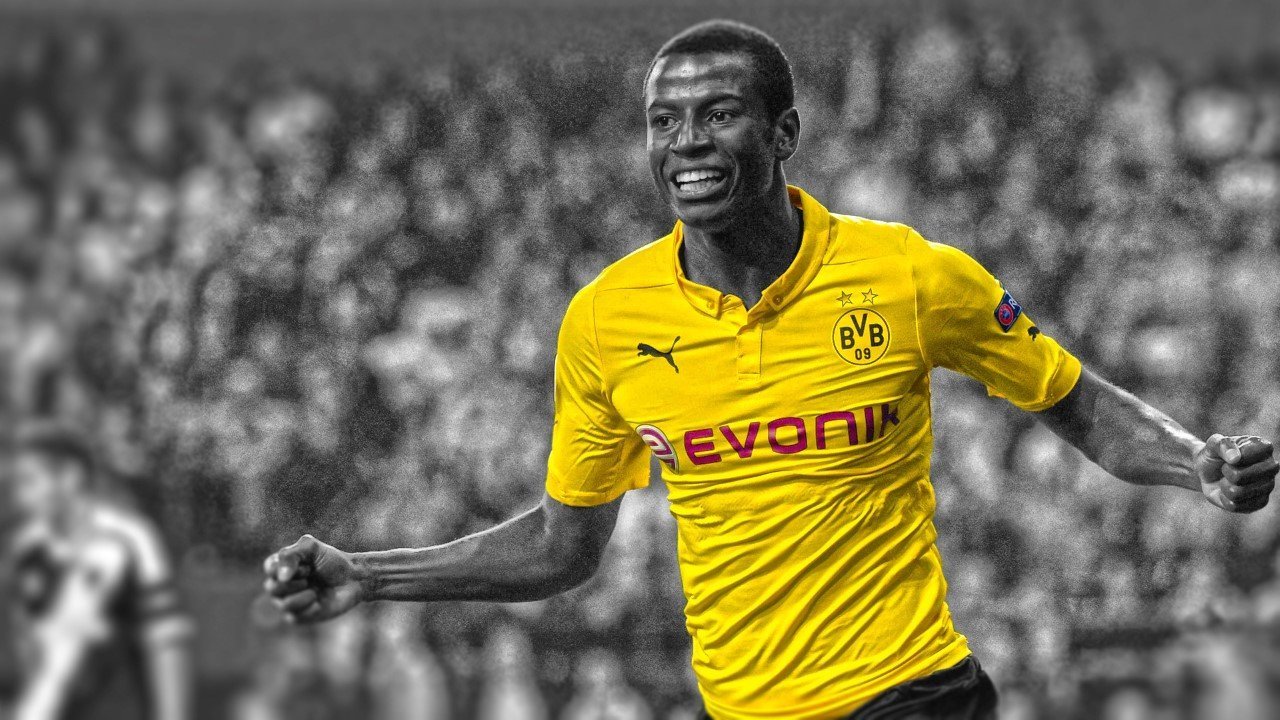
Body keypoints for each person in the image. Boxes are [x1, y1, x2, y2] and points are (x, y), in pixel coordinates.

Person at [263, 20, 1279, 720]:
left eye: (718, 114)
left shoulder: (908, 275)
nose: (686, 143)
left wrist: (1192, 463)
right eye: (664, 120)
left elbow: (1078, 407)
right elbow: (563, 548)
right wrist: (370, 574)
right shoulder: (608, 319)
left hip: (911, 693)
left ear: (784, 132)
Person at [3, 423, 193, 720]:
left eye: (30, 481)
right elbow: (28, 654)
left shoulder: (132, 539)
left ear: (70, 476)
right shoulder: (26, 548)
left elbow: (166, 644)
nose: (20, 496)